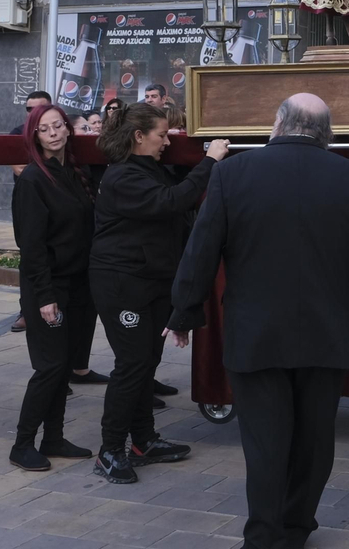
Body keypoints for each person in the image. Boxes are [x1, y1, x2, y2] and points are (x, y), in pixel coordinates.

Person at [169, 94, 349, 547]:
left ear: (277, 123)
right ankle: (295, 527)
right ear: (327, 132)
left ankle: (264, 535)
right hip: (326, 333)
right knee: (314, 440)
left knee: (264, 442)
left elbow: (201, 249)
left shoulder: (232, 174)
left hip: (255, 334)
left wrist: (184, 311)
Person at [89, 102, 226, 484]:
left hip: (149, 280)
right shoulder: (123, 177)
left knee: (146, 362)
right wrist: (210, 162)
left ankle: (143, 441)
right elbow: (172, 202)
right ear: (139, 136)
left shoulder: (148, 169)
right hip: (121, 284)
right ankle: (110, 449)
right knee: (131, 365)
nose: (167, 142)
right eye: (162, 135)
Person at [10, 103, 98, 471]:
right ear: (35, 136)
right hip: (48, 288)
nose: (55, 133)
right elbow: (30, 248)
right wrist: (44, 297)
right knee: (50, 367)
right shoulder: (33, 179)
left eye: (59, 126)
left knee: (64, 368)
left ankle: (55, 437)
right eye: (45, 129)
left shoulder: (75, 173)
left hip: (79, 285)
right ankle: (22, 443)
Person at [8, 91, 54, 334]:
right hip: (29, 203)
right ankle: (26, 310)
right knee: (30, 256)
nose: (33, 114)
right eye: (29, 109)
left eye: (40, 108)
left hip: (57, 206)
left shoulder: (57, 133)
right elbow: (19, 169)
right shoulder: (18, 133)